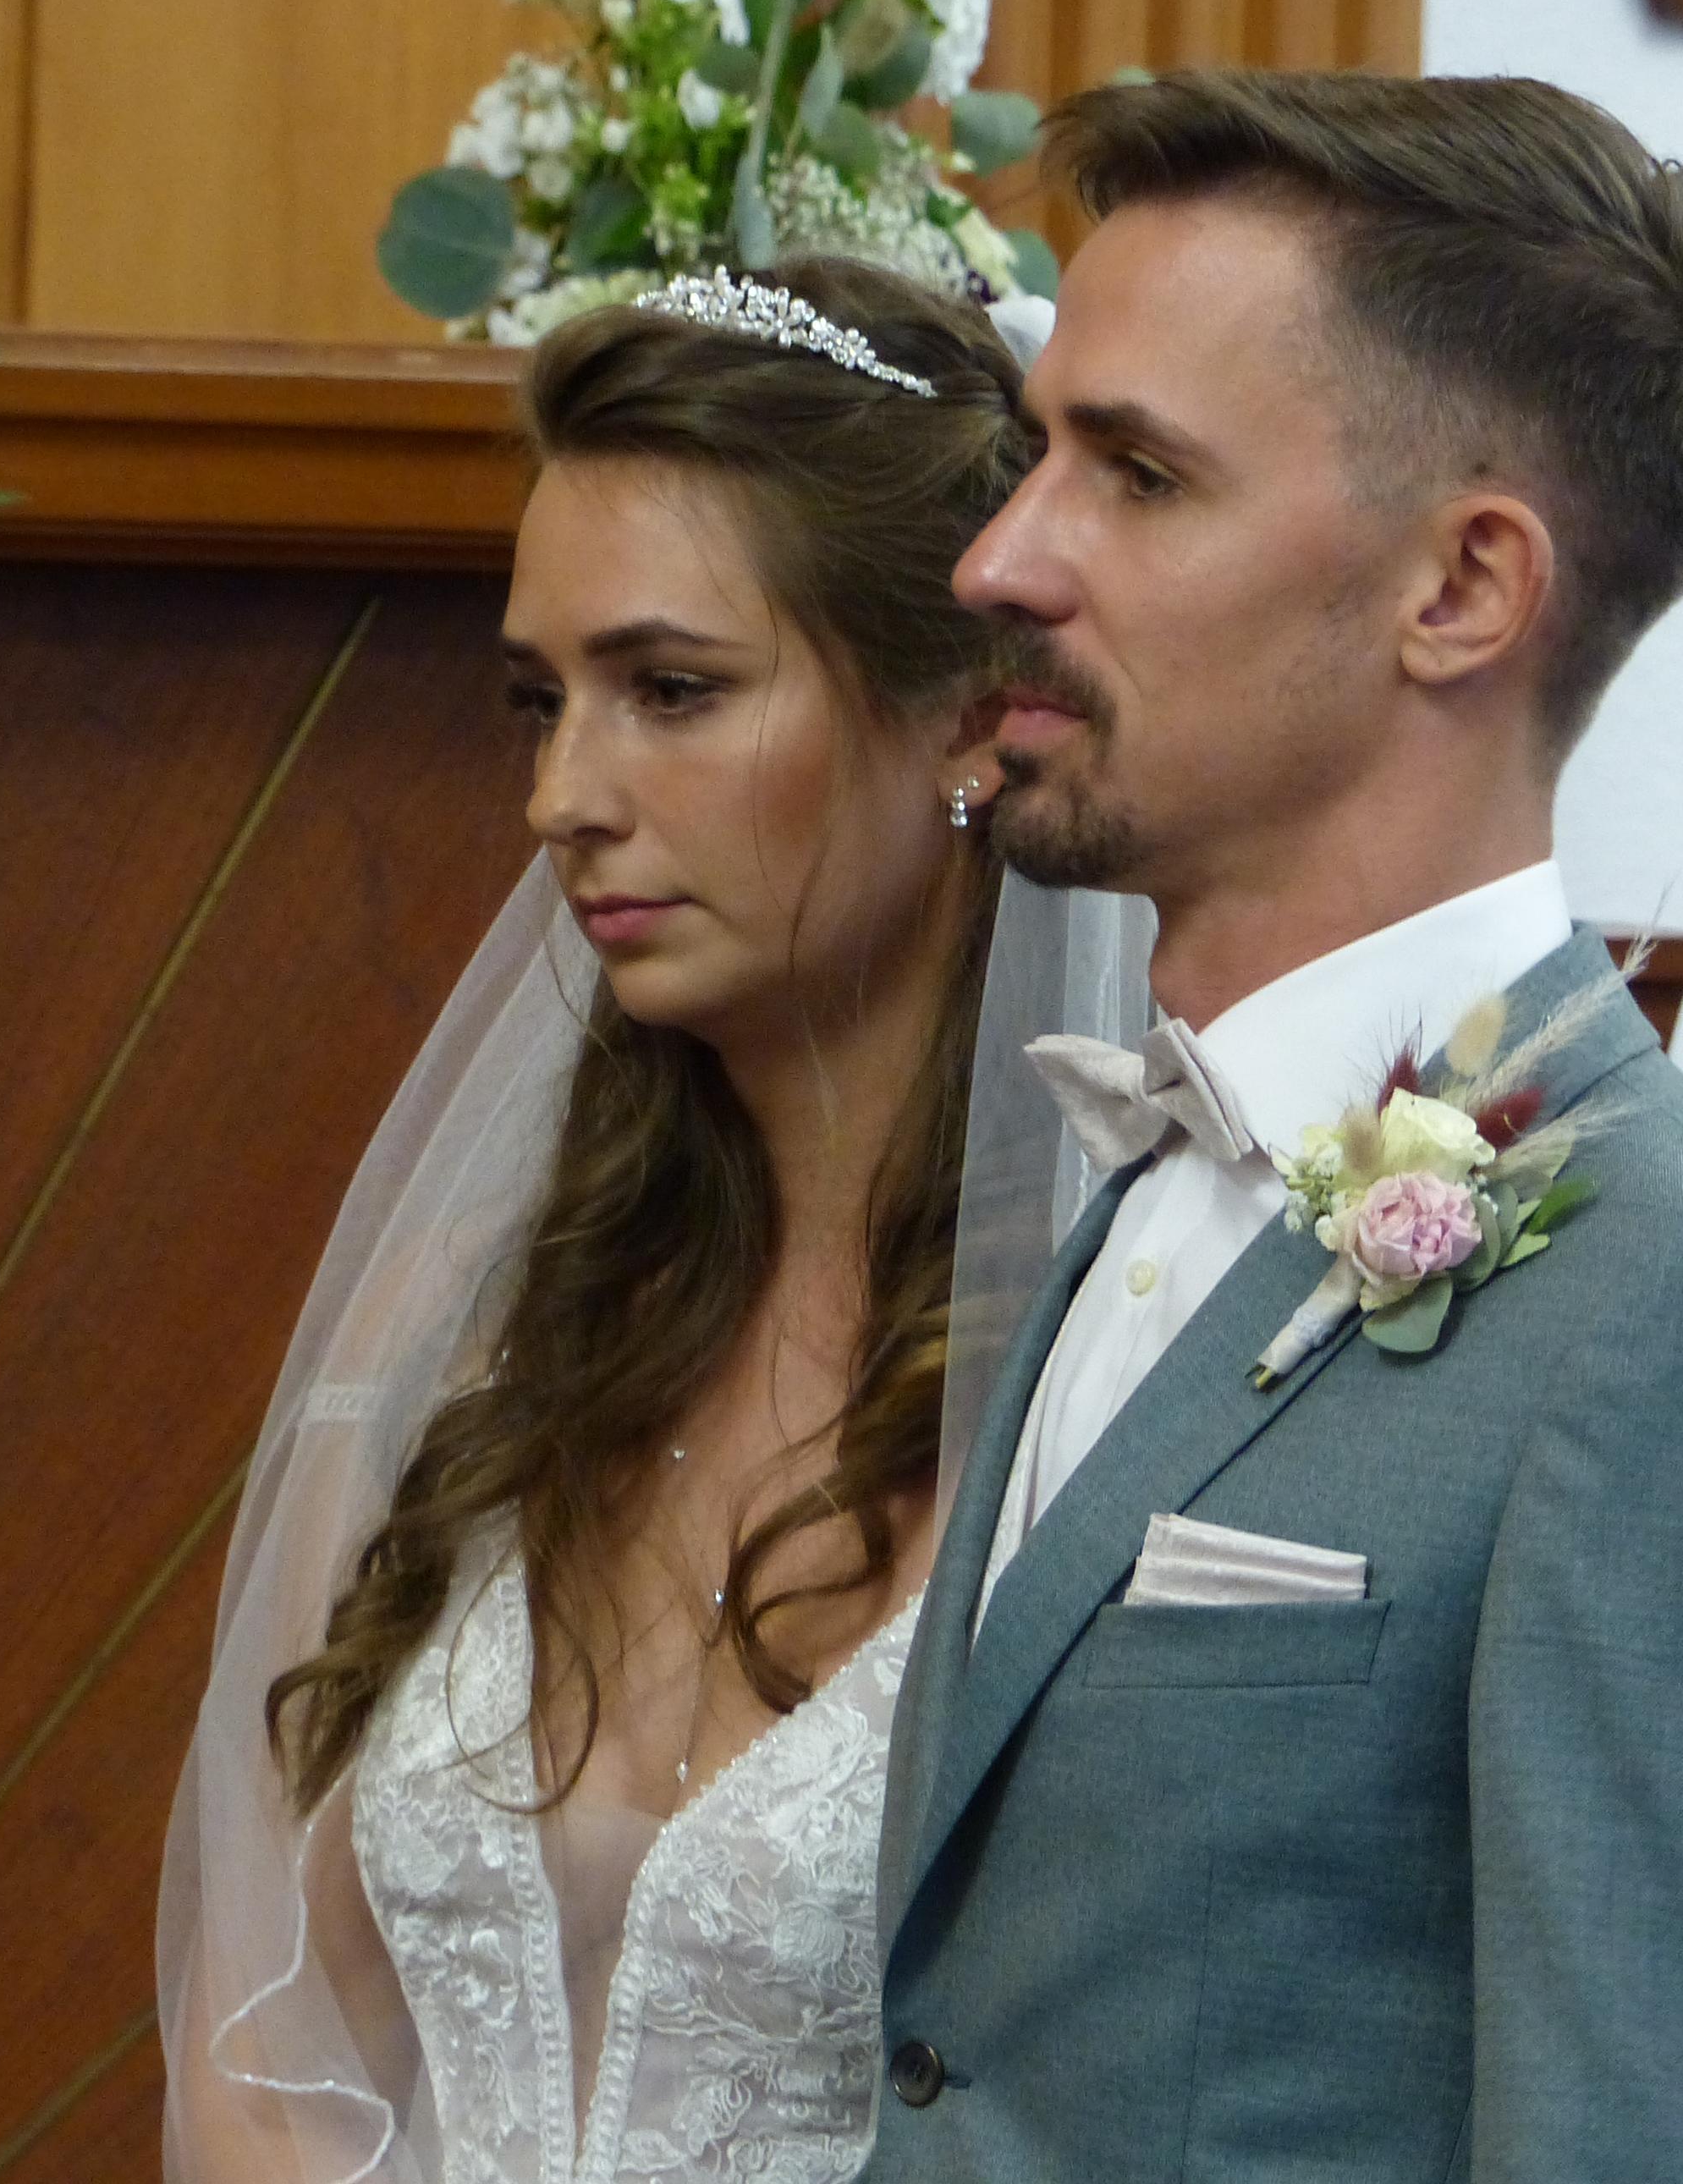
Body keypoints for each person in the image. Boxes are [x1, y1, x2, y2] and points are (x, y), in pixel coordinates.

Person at [863, 70, 1683, 2184]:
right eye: (1035, 458)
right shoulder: (1146, 1174)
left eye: (1135, 475)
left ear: (1461, 589)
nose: (997, 559)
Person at [157, 256, 1050, 2182]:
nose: (564, 795)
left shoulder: (1094, 1360)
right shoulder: (480, 1324)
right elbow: (264, 2046)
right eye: (539, 701)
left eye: (671, 691)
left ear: (971, 718)